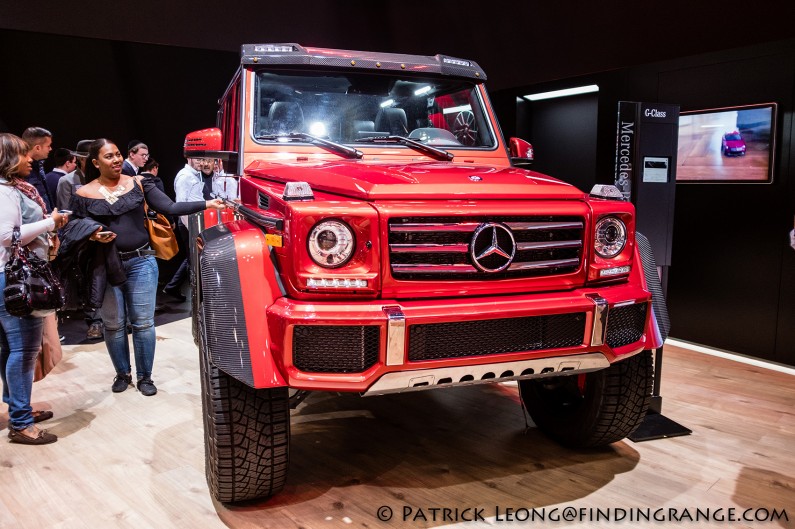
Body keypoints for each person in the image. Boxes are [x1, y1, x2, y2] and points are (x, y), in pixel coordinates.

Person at [70, 139, 224, 396]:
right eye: (109, 156)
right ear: (96, 162)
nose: (117, 160)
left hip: (141, 261)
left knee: (143, 323)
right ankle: (122, 373)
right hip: (106, 265)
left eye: (118, 154)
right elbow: (74, 226)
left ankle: (145, 377)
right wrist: (94, 234)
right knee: (114, 324)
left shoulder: (139, 183)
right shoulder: (84, 193)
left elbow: (170, 207)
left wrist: (207, 204)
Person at [0, 133, 68, 445]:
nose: (30, 159)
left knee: (11, 349)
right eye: (23, 154)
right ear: (9, 158)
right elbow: (7, 237)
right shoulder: (4, 192)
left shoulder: (9, 190)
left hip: (5, 277)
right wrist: (50, 223)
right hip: (12, 278)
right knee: (24, 350)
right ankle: (21, 423)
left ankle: (19, 410)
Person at [55, 139, 104, 340]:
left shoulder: (104, 179)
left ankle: (108, 319)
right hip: (81, 236)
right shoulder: (67, 181)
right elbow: (66, 212)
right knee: (86, 279)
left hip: (104, 234)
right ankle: (94, 320)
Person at [20, 127, 54, 211]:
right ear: (37, 148)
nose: (50, 149)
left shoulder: (39, 167)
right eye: (48, 146)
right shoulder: (20, 171)